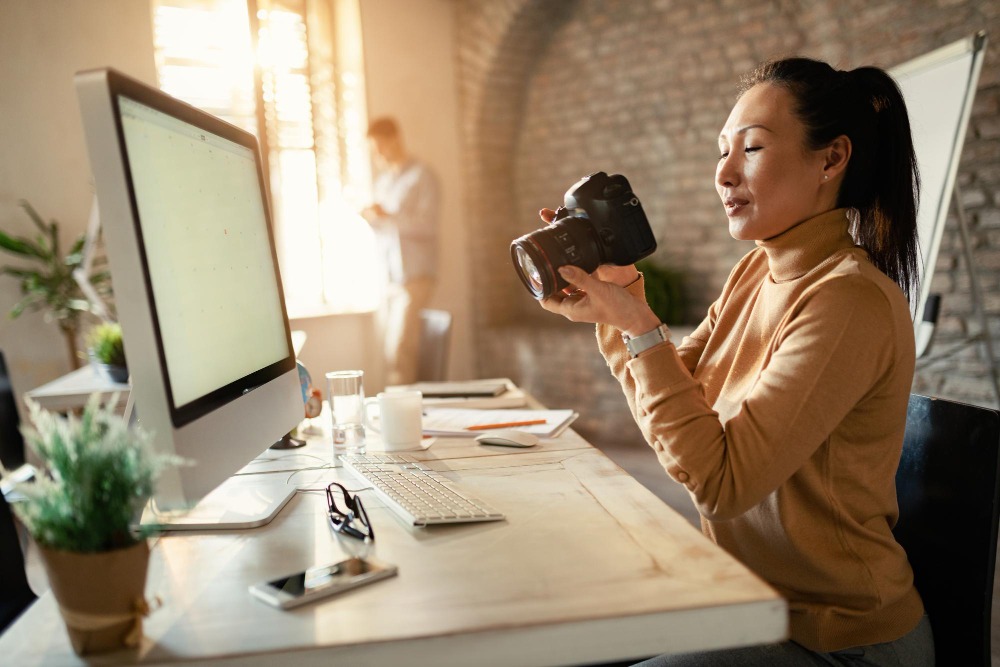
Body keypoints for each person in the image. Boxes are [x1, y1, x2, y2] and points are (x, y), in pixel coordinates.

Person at [537, 58, 934, 666]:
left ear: (831, 159)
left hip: (839, 641)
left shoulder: (848, 300)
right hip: (746, 605)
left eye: (750, 148)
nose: (723, 172)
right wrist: (620, 311)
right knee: (562, 636)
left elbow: (721, 483)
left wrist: (637, 327)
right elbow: (682, 404)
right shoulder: (757, 268)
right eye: (721, 150)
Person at [361, 117, 441, 386]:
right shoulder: (383, 182)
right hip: (389, 278)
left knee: (400, 352)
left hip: (415, 276)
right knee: (387, 353)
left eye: (379, 146)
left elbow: (428, 226)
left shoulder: (422, 176)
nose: (377, 154)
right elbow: (385, 231)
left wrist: (389, 216)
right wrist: (372, 218)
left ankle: (405, 417)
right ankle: (397, 413)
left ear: (394, 138)